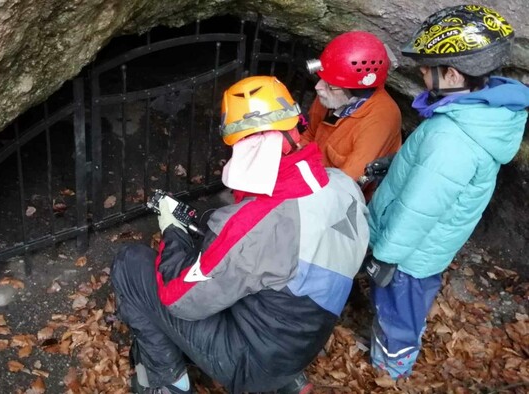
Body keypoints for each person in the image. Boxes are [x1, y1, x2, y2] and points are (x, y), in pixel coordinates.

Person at [111, 75, 371, 394]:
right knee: (218, 245)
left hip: (254, 363)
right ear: (297, 126)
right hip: (300, 340)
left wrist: (173, 231)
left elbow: (179, 300)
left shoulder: (253, 225)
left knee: (131, 263)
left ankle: (167, 382)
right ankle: (287, 381)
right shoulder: (343, 186)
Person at [366, 4, 529, 379]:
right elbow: (432, 175)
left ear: (452, 74)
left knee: (397, 315)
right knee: (406, 306)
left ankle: (391, 368)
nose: (422, 74)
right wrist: (395, 164)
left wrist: (385, 257)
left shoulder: (452, 139)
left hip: (409, 257)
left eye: (426, 69)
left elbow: (418, 209)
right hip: (426, 250)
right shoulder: (476, 112)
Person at [301, 31, 402, 200]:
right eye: (321, 78)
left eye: (330, 85)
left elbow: (347, 184)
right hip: (313, 176)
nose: (318, 87)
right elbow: (310, 135)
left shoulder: (380, 119)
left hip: (338, 198)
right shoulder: (331, 97)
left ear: (355, 90)